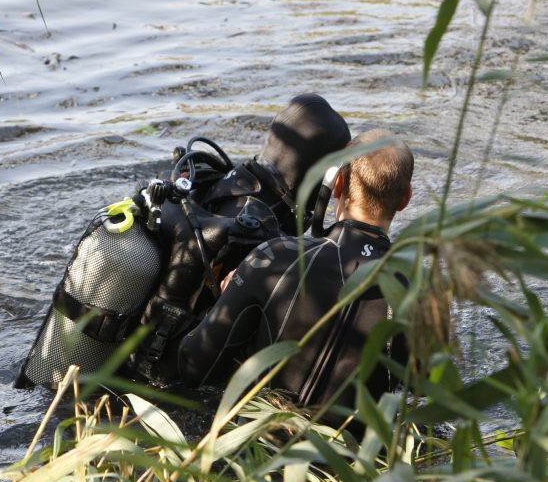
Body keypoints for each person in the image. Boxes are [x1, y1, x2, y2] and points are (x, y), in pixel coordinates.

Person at [15, 94, 351, 389]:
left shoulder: (211, 181)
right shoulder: (264, 238)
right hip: (156, 381)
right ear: (321, 176)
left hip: (95, 356)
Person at [176, 131, 414, 422]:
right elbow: (421, 386)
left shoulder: (276, 258)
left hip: (257, 452)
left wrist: (226, 298)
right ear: (405, 199)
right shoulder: (419, 294)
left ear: (337, 184)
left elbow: (193, 367)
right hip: (352, 459)